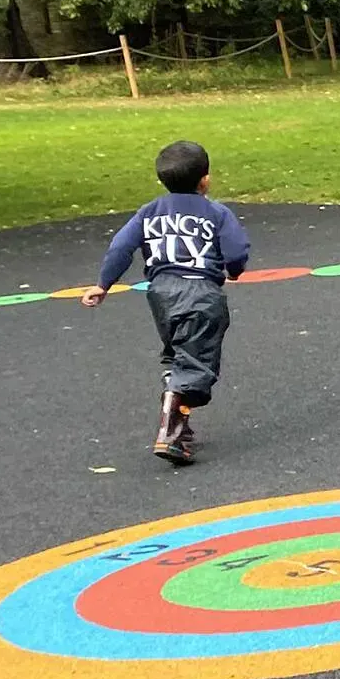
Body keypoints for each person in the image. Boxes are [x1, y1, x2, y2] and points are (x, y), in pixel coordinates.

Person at [84, 141, 251, 466]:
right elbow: (235, 251)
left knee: (179, 352)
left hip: (160, 293)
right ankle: (170, 431)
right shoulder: (216, 212)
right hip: (201, 292)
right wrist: (234, 270)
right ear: (205, 180)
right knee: (198, 362)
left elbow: (121, 247)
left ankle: (179, 422)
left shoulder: (149, 212)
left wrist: (103, 284)